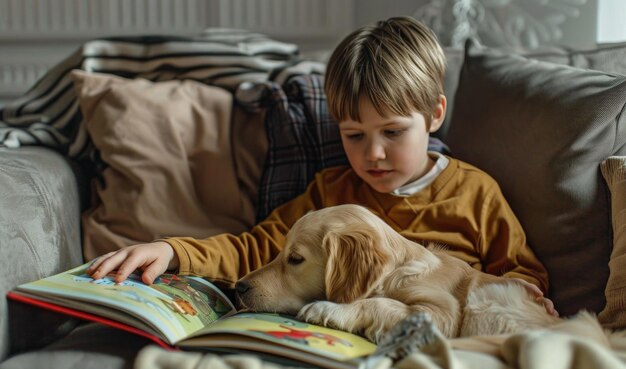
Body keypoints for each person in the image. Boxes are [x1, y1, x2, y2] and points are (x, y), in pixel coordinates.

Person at [88, 16, 556, 315]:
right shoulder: (330, 195)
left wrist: (525, 297)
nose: (372, 153)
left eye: (392, 132)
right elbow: (257, 250)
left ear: (435, 115)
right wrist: (173, 253)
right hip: (337, 335)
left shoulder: (475, 193)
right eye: (353, 135)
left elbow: (520, 275)